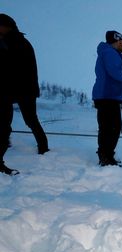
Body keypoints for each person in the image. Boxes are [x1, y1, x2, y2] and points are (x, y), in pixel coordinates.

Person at [0, 14, 49, 175]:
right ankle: (43, 148)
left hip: (21, 89)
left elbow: (12, 68)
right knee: (24, 120)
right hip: (17, 89)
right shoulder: (15, 41)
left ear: (7, 27)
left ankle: (43, 148)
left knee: (28, 120)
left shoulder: (15, 42)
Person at [92, 30, 122, 166]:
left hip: (107, 96)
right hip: (107, 96)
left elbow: (111, 75)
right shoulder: (110, 53)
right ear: (117, 41)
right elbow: (114, 72)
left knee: (109, 127)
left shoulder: (108, 53)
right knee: (112, 128)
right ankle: (106, 156)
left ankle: (106, 155)